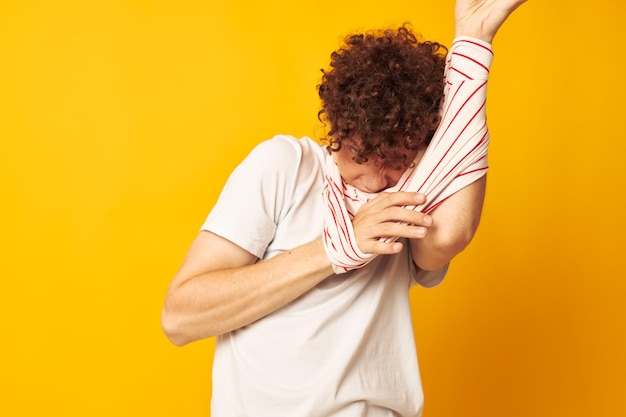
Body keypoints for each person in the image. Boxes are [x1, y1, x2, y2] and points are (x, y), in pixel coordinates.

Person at [162, 0, 526, 415]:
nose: (374, 182)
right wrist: (336, 248)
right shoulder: (286, 166)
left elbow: (449, 235)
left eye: (394, 160)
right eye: (358, 154)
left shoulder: (410, 191)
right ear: (335, 127)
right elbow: (180, 318)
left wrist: (474, 42)